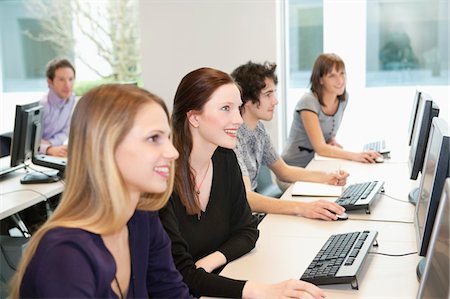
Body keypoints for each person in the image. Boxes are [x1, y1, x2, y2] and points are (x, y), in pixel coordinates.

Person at [10, 84, 192, 298]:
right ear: (104, 148)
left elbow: (172, 293)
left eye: (167, 138)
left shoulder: (142, 219)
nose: (172, 152)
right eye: (154, 138)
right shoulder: (66, 254)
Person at [159, 67, 326, 299]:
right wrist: (261, 290)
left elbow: (247, 231)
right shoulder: (162, 180)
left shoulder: (225, 159)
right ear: (194, 116)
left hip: (216, 282)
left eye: (237, 108)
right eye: (225, 109)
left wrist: (210, 261)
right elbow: (180, 276)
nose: (237, 119)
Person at [231, 61, 348, 220]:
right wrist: (302, 208)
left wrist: (327, 177)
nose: (275, 101)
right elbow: (247, 197)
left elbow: (284, 171)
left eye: (274, 93)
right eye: (268, 94)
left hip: (248, 216)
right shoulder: (233, 137)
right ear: (247, 99)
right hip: (237, 221)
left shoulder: (259, 130)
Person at [282, 53, 381, 168]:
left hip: (316, 165)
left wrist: (331, 140)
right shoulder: (308, 101)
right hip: (293, 169)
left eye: (342, 73)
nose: (340, 80)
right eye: (332, 76)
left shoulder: (343, 99)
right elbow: (320, 148)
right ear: (320, 80)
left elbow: (326, 136)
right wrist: (356, 156)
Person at [39, 58, 77, 157]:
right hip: (37, 155)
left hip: (55, 151)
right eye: (61, 79)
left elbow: (65, 131)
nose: (67, 85)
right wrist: (47, 149)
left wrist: (51, 144)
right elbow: (28, 141)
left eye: (70, 79)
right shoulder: (41, 106)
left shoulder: (72, 100)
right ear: (50, 82)